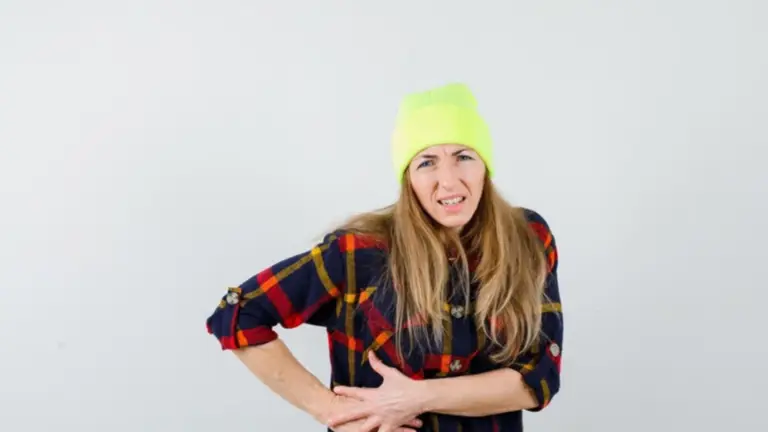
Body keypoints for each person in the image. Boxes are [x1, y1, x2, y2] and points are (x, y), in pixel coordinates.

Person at [205, 82, 563, 432]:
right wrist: (332, 411)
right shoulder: (361, 252)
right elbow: (237, 314)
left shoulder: (528, 238)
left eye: (464, 157)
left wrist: (417, 397)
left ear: (485, 165)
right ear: (408, 177)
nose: (449, 181)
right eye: (427, 163)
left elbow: (540, 378)